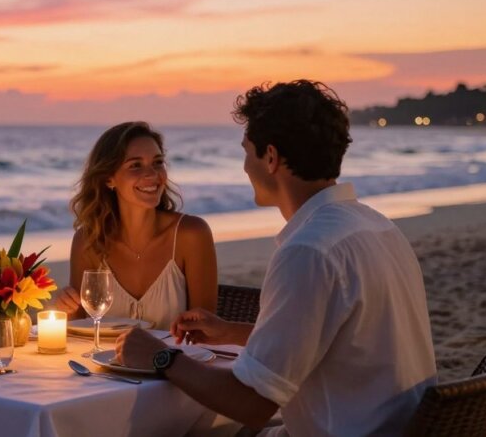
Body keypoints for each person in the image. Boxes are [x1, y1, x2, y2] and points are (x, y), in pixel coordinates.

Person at [116, 81, 437, 436]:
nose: (244, 166)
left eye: (246, 152)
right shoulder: (376, 226)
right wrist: (230, 333)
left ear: (270, 158)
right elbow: (338, 340)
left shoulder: (309, 251)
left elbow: (252, 404)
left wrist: (160, 358)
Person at [54, 121, 217, 330]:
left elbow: (206, 331)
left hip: (175, 362)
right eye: (135, 165)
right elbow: (81, 328)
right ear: (108, 179)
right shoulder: (90, 240)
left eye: (158, 162)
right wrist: (67, 306)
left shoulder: (191, 234)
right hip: (105, 362)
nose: (152, 174)